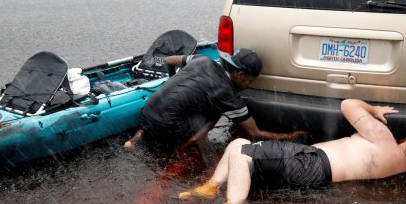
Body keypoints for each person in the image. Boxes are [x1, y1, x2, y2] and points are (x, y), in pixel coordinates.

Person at [177, 98, 406, 204]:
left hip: (310, 161)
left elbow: (348, 104)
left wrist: (374, 110)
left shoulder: (385, 140)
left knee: (242, 154)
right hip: (315, 176)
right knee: (237, 145)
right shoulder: (401, 168)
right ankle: (211, 186)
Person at [124, 47, 304, 156]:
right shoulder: (229, 96)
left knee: (171, 105)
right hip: (168, 124)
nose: (248, 86)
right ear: (239, 74)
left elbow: (168, 60)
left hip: (148, 112)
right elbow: (255, 133)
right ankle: (184, 145)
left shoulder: (202, 59)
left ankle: (135, 139)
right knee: (217, 111)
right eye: (249, 81)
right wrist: (289, 136)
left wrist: (172, 80)